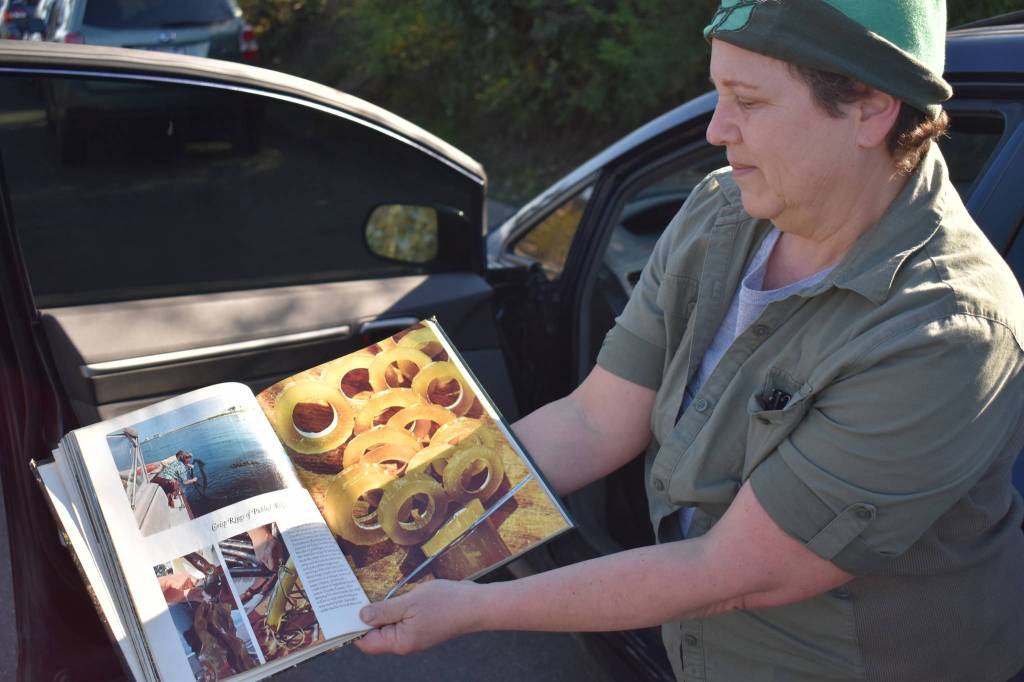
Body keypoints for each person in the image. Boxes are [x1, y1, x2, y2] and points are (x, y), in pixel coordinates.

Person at [354, 1, 1024, 679]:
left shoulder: (945, 330)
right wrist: (371, 525)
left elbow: (732, 572)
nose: (714, 129)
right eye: (717, 92)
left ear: (871, 109)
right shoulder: (721, 211)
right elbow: (593, 421)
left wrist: (472, 608)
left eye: (749, 101)